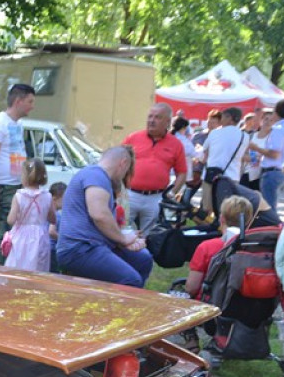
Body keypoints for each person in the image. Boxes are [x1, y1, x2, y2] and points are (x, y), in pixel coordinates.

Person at [56, 146, 153, 288]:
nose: (124, 178)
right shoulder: (96, 175)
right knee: (131, 280)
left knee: (143, 260)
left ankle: (130, 304)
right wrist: (123, 238)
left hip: (93, 246)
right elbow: (99, 214)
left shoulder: (98, 177)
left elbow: (100, 222)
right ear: (123, 163)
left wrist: (123, 242)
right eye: (126, 172)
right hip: (79, 250)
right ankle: (117, 309)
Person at [0, 82, 36, 264]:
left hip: (16, 185)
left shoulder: (18, 124)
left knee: (15, 232)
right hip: (3, 187)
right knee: (5, 233)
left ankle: (8, 269)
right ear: (18, 101)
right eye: (30, 101)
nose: (32, 106)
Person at [123, 103, 187, 236]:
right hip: (130, 194)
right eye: (150, 116)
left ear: (168, 122)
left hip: (156, 197)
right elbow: (119, 161)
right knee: (121, 230)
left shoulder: (176, 144)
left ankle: (144, 256)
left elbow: (182, 173)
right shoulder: (133, 138)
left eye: (157, 117)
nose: (151, 120)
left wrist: (172, 193)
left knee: (149, 235)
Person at [184, 195, 255, 299]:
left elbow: (191, 288)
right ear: (249, 221)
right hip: (246, 306)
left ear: (221, 218)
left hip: (209, 305)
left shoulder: (207, 247)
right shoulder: (255, 248)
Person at [4, 158, 56, 272]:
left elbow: (11, 220)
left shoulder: (19, 196)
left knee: (17, 264)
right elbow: (53, 219)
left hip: (21, 235)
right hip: (40, 235)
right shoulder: (47, 196)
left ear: (24, 176)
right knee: (38, 266)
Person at [248, 98, 284, 222]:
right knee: (270, 204)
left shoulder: (278, 129)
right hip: (278, 171)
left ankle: (273, 230)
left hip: (272, 171)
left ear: (275, 111)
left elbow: (274, 154)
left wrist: (256, 148)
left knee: (268, 208)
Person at [47, 181, 67, 273]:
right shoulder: (55, 214)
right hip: (52, 250)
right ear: (54, 199)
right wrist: (63, 239)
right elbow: (51, 231)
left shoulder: (47, 211)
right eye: (64, 198)